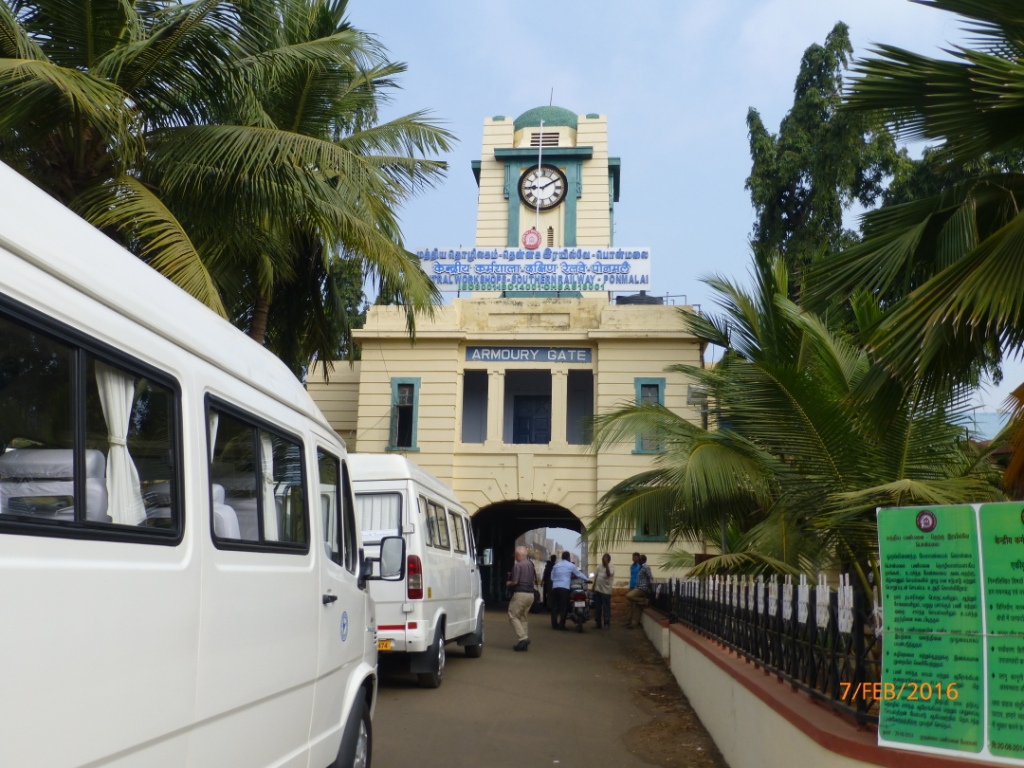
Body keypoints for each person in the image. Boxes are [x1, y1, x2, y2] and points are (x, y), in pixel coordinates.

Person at [550, 551, 589, 630]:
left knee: (555, 607)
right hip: (564, 588)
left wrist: (557, 581)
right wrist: (587, 579)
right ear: (568, 558)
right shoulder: (571, 565)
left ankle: (554, 625)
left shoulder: (556, 566)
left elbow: (552, 577)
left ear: (562, 557)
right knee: (563, 607)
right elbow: (578, 574)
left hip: (555, 587)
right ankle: (561, 625)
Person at [506, 546, 534, 651]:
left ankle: (523, 638)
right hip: (530, 594)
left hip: (520, 594)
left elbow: (515, 582)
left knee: (512, 614)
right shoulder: (531, 564)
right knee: (523, 617)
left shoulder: (518, 566)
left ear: (518, 555)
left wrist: (508, 583)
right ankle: (523, 644)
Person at [625, 554, 653, 629]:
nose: (638, 560)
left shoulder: (646, 567)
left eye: (639, 559)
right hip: (637, 587)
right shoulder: (640, 567)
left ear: (643, 560)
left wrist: (649, 590)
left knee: (629, 596)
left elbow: (650, 578)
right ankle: (634, 624)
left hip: (642, 589)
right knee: (638, 606)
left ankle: (644, 600)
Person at [592, 553, 615, 629]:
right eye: (602, 559)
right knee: (598, 608)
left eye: (605, 559)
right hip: (598, 590)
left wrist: (607, 565)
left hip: (606, 591)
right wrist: (593, 586)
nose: (603, 560)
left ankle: (606, 623)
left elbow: (609, 574)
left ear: (608, 560)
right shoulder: (599, 566)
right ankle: (598, 623)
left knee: (606, 608)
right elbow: (596, 576)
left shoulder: (611, 567)